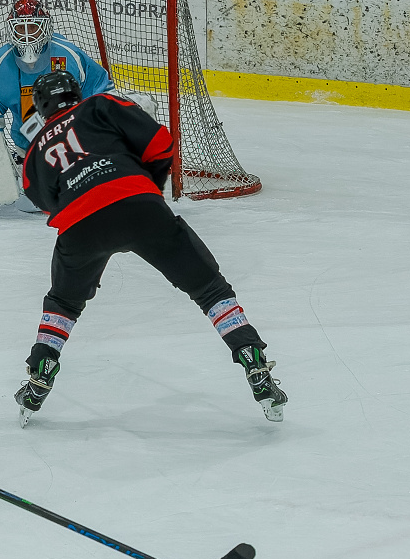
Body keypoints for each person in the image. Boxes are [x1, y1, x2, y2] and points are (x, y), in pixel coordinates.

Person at [14, 71, 287, 425]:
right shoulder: (100, 105)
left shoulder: (36, 148)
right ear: (75, 92)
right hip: (140, 206)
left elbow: (44, 203)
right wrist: (147, 190)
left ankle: (40, 372)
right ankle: (252, 358)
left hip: (80, 228)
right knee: (210, 289)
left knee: (63, 304)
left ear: (41, 106)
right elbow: (161, 143)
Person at [0, 0, 115, 209]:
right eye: (21, 28)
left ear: (45, 28)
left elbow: (104, 98)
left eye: (33, 27)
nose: (27, 35)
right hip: (27, 153)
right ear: (11, 30)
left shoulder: (70, 56)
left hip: (74, 149)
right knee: (31, 204)